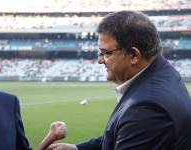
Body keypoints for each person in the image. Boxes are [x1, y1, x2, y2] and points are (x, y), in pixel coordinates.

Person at [47, 11, 191, 150]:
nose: (99, 60)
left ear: (134, 55)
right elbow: (120, 137)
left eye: (106, 53)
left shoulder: (145, 109)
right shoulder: (162, 72)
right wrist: (78, 148)